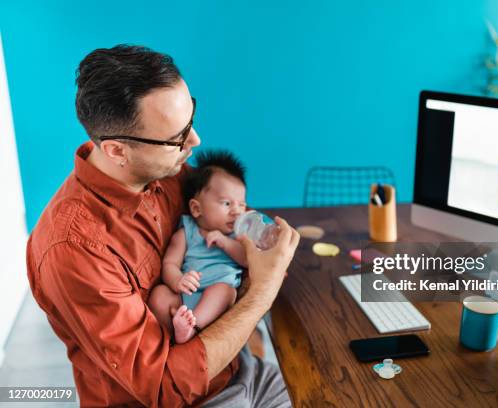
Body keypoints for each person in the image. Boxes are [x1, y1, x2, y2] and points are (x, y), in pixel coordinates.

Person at [26, 44, 299, 407]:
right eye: (176, 138)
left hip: (238, 368)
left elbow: (226, 220)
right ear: (117, 151)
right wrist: (259, 295)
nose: (195, 140)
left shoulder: (168, 173)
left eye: (191, 119)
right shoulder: (72, 249)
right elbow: (165, 388)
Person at [150, 150, 250, 344]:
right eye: (227, 203)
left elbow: (246, 259)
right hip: (185, 295)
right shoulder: (185, 233)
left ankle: (192, 328)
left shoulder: (238, 235)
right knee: (159, 295)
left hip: (215, 298)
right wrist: (178, 280)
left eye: (242, 205)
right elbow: (170, 264)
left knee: (226, 291)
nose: (236, 211)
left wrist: (225, 242)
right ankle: (170, 334)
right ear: (196, 209)